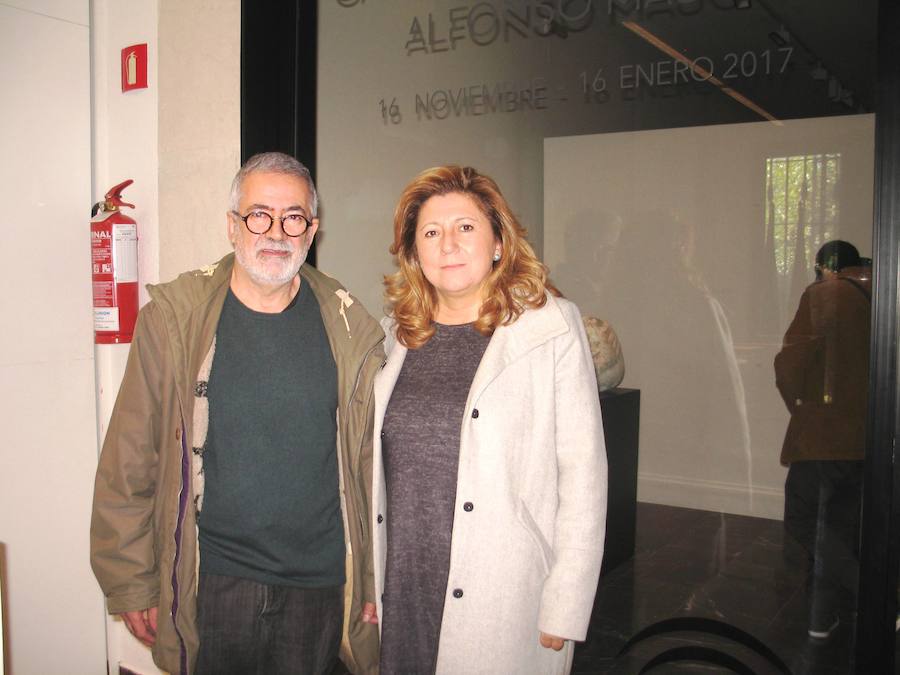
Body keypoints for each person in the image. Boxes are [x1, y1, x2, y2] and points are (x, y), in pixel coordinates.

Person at [90, 152, 383, 675]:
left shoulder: (351, 330)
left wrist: (375, 578)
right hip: (215, 582)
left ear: (312, 229)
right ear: (232, 226)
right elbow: (130, 456)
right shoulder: (174, 321)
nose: (276, 232)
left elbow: (373, 470)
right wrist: (131, 581)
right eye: (258, 215)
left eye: (293, 217)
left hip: (320, 588)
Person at [371, 165, 608, 674]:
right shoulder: (397, 335)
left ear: (499, 241)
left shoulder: (549, 327)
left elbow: (584, 474)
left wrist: (566, 603)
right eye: (431, 232)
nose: (448, 244)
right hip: (408, 579)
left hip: (504, 590)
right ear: (413, 253)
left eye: (466, 227)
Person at [775, 240, 871, 641]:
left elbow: (790, 364)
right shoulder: (876, 295)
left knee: (805, 520)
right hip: (866, 434)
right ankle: (822, 617)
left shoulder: (824, 295)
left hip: (823, 432)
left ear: (824, 267)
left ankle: (875, 594)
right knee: (838, 525)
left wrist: (799, 405)